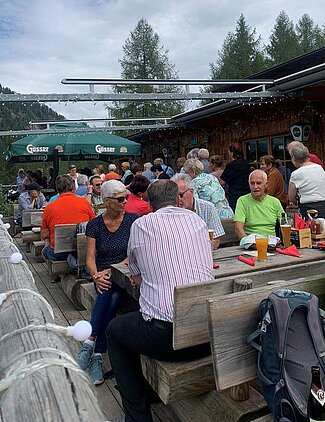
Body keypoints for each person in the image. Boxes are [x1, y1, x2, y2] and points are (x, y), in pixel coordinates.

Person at [106, 180, 214, 421]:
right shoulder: (196, 220)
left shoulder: (142, 224)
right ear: (177, 199)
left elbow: (136, 276)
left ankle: (137, 416)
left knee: (114, 331)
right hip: (207, 334)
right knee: (137, 321)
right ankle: (148, 391)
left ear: (148, 203)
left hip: (169, 341)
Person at [76, 180, 138, 385]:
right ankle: (98, 355)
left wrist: (112, 270)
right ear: (106, 201)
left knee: (111, 293)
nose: (125, 202)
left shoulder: (133, 221)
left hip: (124, 272)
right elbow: (89, 259)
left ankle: (90, 341)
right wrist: (96, 275)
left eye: (126, 197)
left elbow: (134, 254)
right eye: (120, 199)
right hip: (103, 276)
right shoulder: (95, 224)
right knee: (110, 296)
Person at [41, 175, 95, 262]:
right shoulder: (84, 203)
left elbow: (44, 235)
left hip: (58, 252)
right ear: (73, 187)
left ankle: (56, 273)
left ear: (57, 189)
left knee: (44, 251)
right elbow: (93, 224)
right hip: (81, 249)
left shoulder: (49, 207)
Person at [288, 142, 325, 224]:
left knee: (311, 234)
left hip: (310, 210)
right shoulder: (319, 168)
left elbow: (291, 197)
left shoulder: (295, 174)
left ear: (293, 158)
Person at [171, 173, 224, 249]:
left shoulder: (208, 208)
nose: (178, 199)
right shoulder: (171, 211)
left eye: (181, 195)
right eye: (174, 196)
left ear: (191, 192)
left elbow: (215, 240)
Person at [234, 170, 284, 240]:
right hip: (251, 242)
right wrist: (248, 243)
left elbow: (285, 224)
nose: (255, 186)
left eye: (258, 183)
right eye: (252, 183)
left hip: (271, 243)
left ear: (266, 184)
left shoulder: (275, 202)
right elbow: (238, 228)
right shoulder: (242, 201)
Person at [219, 142, 251, 210]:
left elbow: (222, 182)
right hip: (247, 193)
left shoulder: (231, 165)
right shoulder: (246, 163)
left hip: (235, 194)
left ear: (232, 153)